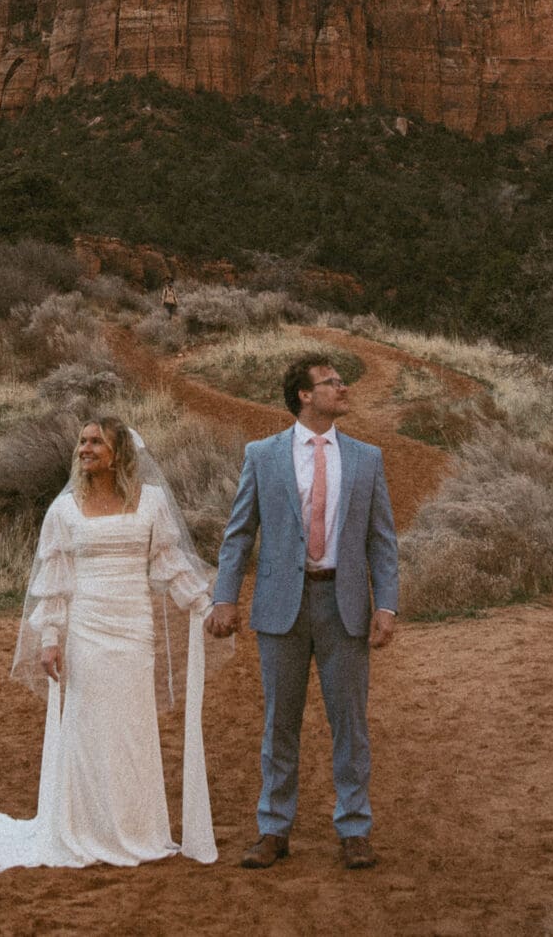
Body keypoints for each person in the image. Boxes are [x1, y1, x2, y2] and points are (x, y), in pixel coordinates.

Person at [0, 417, 224, 868]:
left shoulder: (151, 503)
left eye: (96, 442)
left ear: (119, 454)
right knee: (88, 726)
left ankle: (136, 828)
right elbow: (54, 582)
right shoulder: (64, 511)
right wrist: (50, 639)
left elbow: (171, 564)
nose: (85, 448)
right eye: (82, 441)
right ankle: (86, 827)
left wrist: (205, 607)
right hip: (87, 630)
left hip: (133, 629)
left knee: (131, 728)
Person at [206, 356, 400, 870]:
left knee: (350, 724)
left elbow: (382, 540)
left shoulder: (366, 458)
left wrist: (387, 604)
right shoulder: (262, 455)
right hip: (280, 607)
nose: (343, 387)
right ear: (304, 396)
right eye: (331, 382)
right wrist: (224, 597)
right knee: (279, 723)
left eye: (341, 380)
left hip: (346, 605)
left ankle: (354, 829)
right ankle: (273, 829)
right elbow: (239, 532)